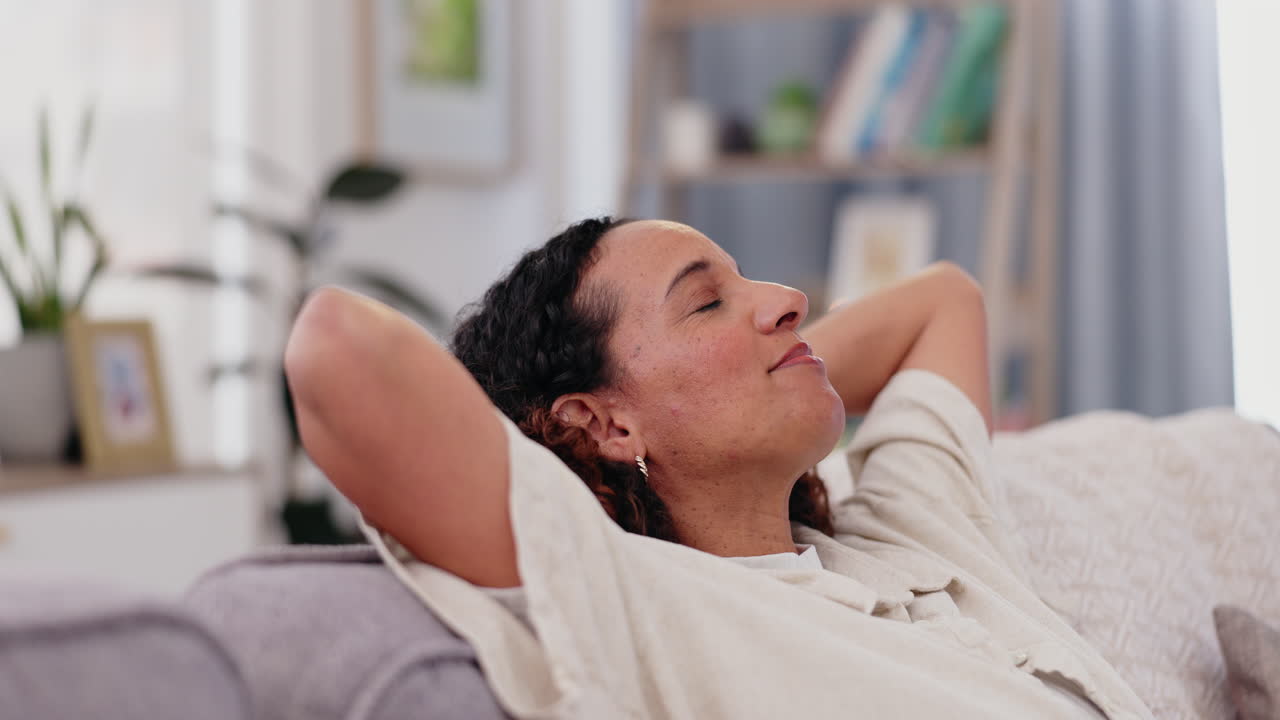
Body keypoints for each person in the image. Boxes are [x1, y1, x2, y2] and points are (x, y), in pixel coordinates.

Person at [284, 218, 1153, 719]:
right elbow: (338, 349)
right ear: (599, 419)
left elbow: (944, 300)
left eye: (752, 283)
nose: (789, 301)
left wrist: (770, 375)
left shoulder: (904, 524)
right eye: (707, 301)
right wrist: (748, 386)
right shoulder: (628, 590)